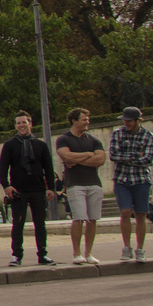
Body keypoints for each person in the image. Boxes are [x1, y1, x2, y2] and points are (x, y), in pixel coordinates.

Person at [0, 112, 57, 267]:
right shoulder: (10, 145)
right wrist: (6, 185)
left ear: (30, 123)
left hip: (37, 189)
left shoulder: (41, 145)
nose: (21, 125)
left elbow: (48, 168)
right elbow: (3, 167)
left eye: (24, 122)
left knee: (40, 224)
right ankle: (16, 255)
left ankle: (43, 253)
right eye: (18, 123)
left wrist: (51, 187)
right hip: (19, 191)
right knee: (18, 224)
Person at [55, 109, 106, 265]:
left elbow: (101, 159)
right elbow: (66, 156)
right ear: (74, 121)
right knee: (78, 218)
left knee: (92, 220)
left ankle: (88, 253)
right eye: (84, 119)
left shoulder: (94, 140)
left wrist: (77, 159)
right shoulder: (64, 139)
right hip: (75, 184)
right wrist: (89, 154)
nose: (87, 122)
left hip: (94, 183)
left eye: (88, 119)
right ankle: (77, 253)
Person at [108, 106, 153, 262]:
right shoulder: (118, 134)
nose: (126, 123)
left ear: (138, 121)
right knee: (125, 212)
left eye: (129, 120)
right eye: (125, 120)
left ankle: (140, 248)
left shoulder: (148, 136)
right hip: (122, 179)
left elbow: (148, 159)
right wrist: (137, 155)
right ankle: (126, 247)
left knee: (141, 215)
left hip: (141, 180)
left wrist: (126, 157)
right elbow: (114, 155)